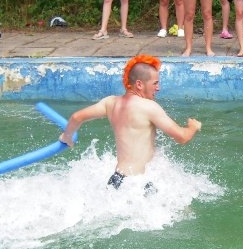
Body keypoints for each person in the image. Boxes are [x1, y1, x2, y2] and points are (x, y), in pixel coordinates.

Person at [59, 54, 202, 190]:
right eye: (155, 83)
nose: (158, 88)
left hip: (116, 180)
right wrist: (193, 127)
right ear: (139, 84)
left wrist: (67, 136)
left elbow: (77, 117)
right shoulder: (149, 107)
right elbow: (182, 137)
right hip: (138, 185)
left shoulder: (110, 103)